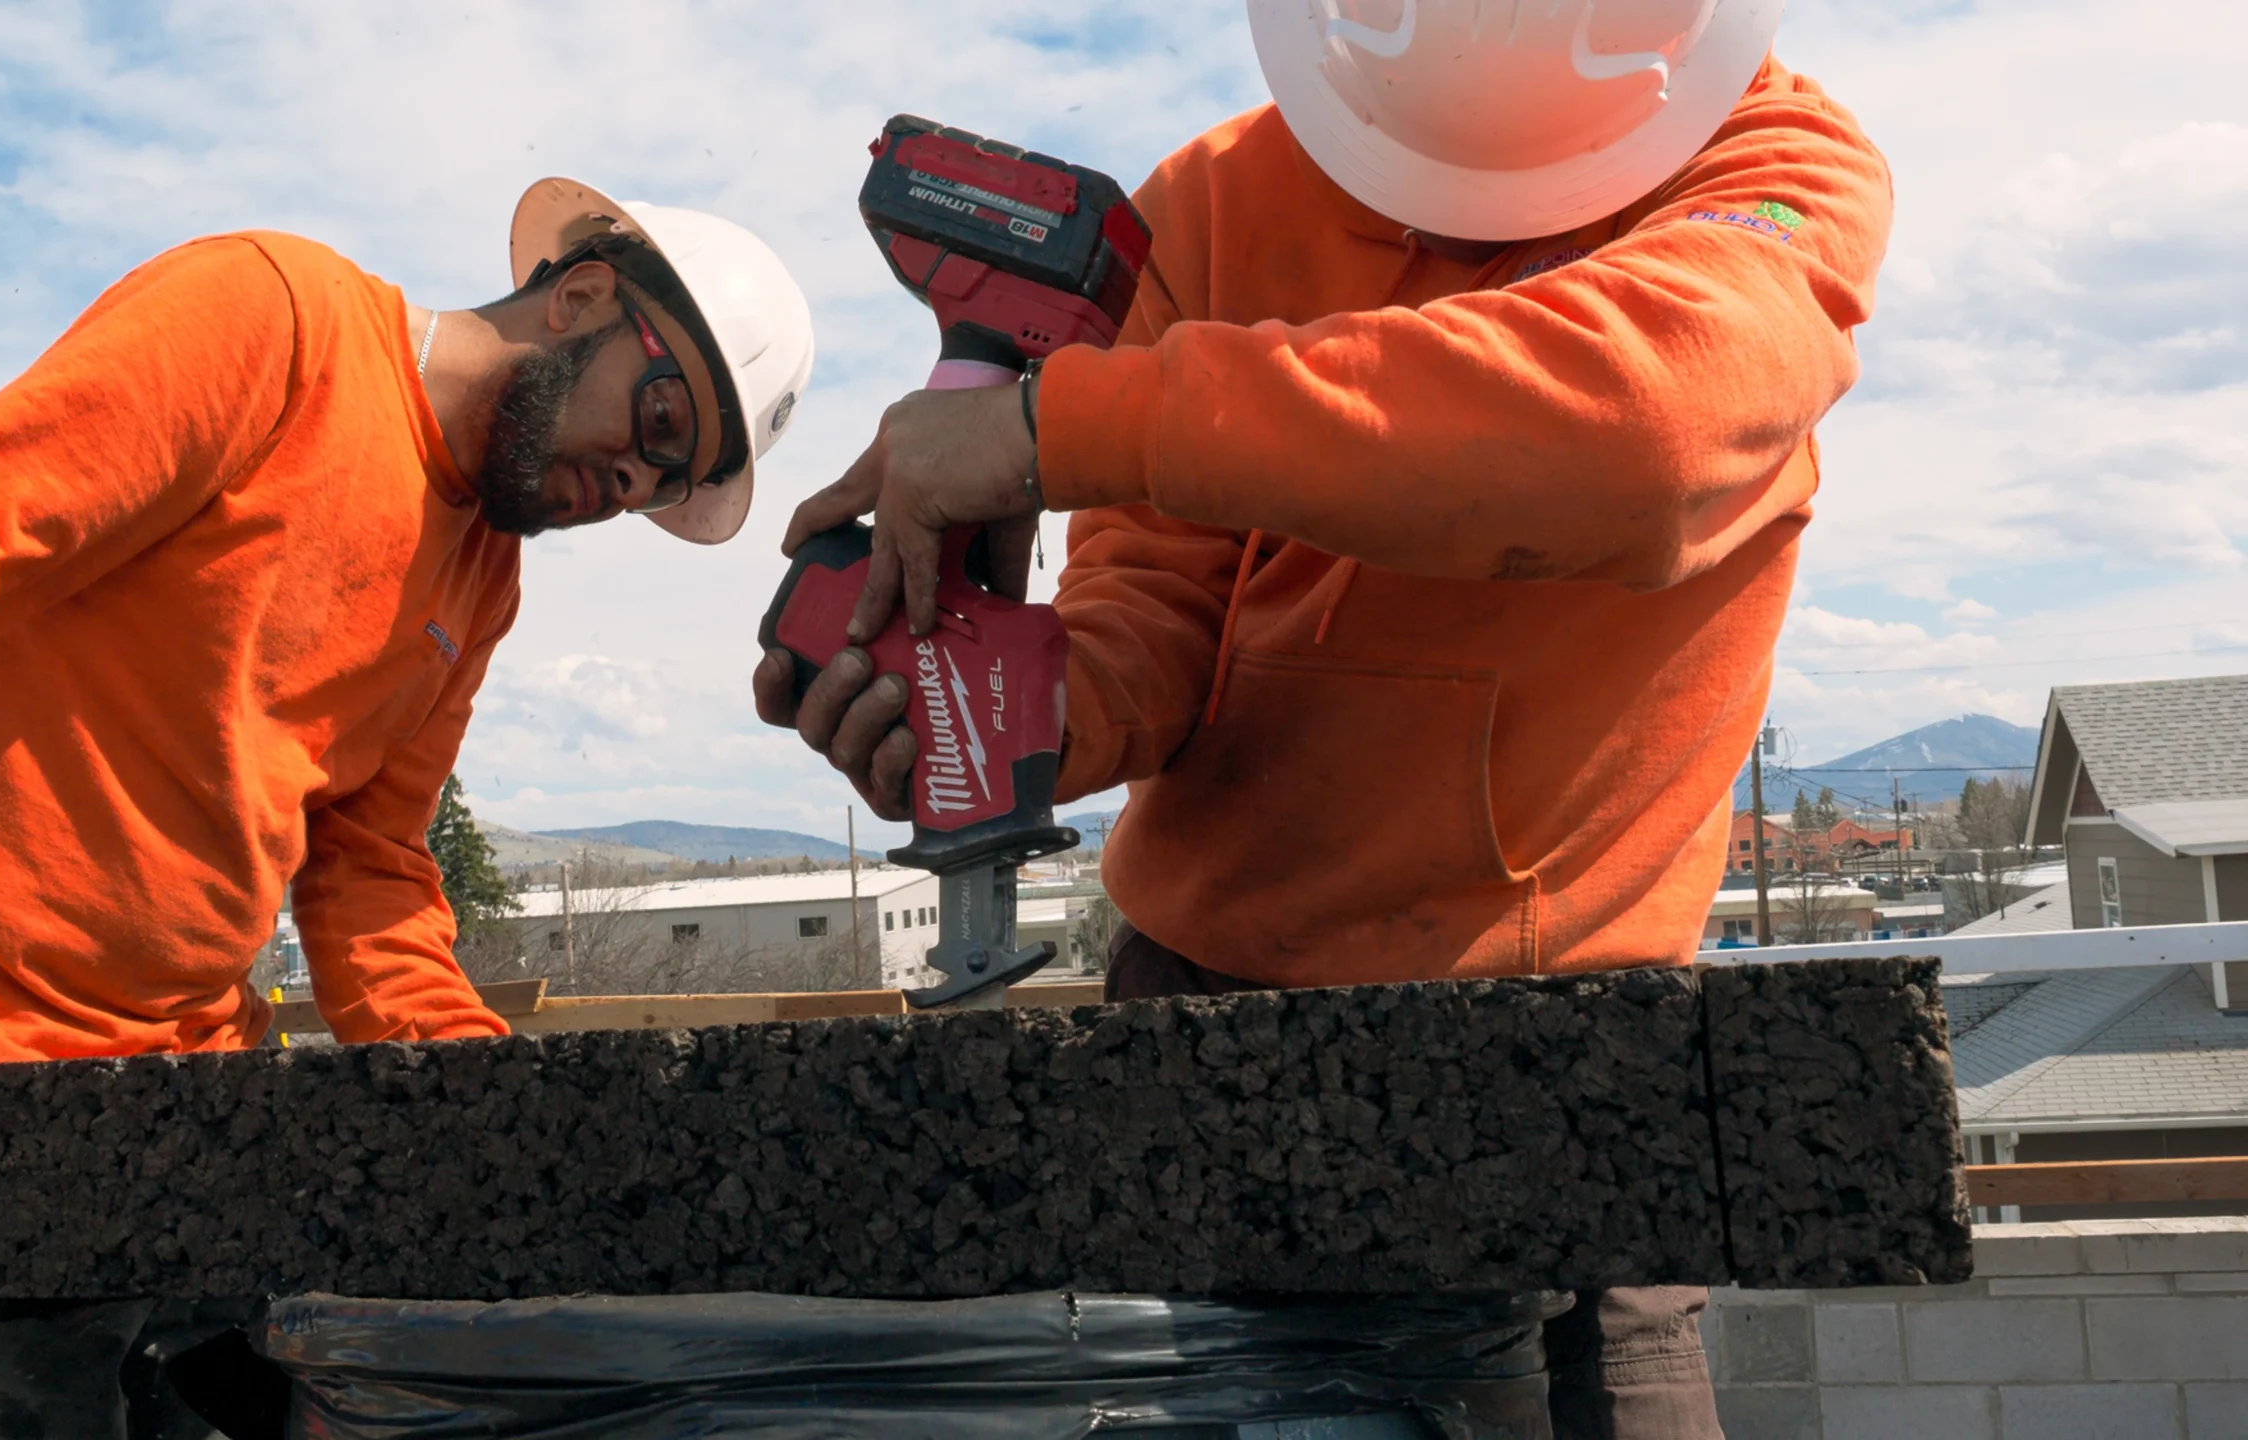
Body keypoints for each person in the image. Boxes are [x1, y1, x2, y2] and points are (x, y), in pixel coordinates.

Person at [755, 2, 1891, 1435]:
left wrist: (1061, 428)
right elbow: (1157, 619)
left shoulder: (1766, 160)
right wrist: (1004, 718)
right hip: (1212, 1030)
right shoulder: (1221, 202)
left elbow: (1642, 429)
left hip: (1563, 1065)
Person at [0, 178, 813, 1434]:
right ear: (586, 295)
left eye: (670, 488)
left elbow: (370, 861)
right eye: (660, 422)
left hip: (186, 1125)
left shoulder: (480, 576)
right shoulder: (273, 326)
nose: (634, 484)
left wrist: (482, 1108)